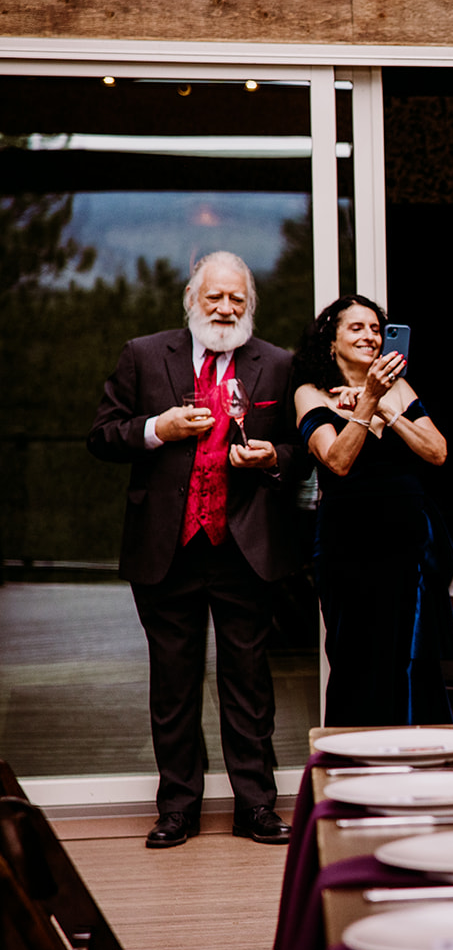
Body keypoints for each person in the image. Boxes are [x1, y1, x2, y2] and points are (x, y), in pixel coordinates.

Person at [88, 251, 303, 849]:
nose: (226, 308)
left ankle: (255, 806)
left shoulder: (279, 364)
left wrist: (273, 458)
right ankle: (177, 808)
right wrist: (159, 428)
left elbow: (298, 446)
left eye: (238, 299)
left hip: (245, 547)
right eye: (216, 298)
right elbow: (104, 436)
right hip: (168, 547)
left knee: (250, 685)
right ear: (192, 298)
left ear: (250, 304)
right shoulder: (143, 354)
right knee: (173, 685)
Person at [291, 294, 453, 726]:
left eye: (376, 329)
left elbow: (437, 451)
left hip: (407, 544)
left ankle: (417, 766)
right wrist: (368, 402)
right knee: (355, 657)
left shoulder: (398, 388)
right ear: (332, 340)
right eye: (357, 328)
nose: (370, 336)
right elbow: (338, 461)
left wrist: (388, 409)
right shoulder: (311, 394)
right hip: (348, 546)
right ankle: (353, 771)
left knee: (410, 658)